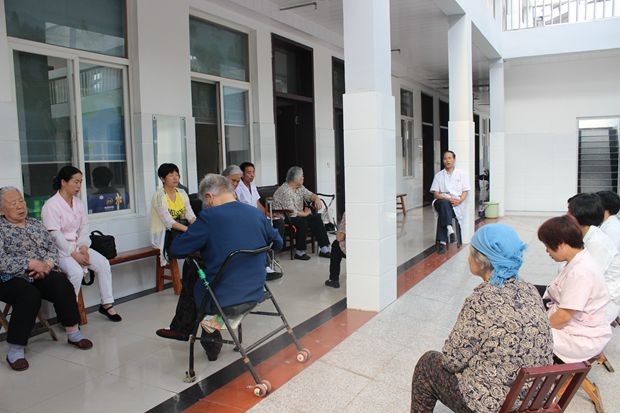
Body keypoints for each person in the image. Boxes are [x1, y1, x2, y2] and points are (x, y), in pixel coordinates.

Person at [411, 223, 552, 413]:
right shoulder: (530, 289)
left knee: (428, 363)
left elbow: (451, 361)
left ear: (480, 261)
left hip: (496, 404)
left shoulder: (482, 299)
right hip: (533, 396)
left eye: (471, 253)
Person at [169, 174, 283, 360]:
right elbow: (277, 243)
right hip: (256, 289)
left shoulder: (208, 217)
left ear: (209, 197)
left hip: (223, 296)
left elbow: (176, 249)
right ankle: (197, 329)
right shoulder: (255, 213)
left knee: (194, 279)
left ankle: (204, 334)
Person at [0, 187, 93, 371]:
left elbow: (52, 249)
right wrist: (30, 264)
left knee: (61, 283)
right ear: (1, 210)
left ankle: (73, 332)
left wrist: (47, 265)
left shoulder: (35, 224)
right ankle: (16, 350)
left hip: (41, 271)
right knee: (28, 294)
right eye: (13, 203)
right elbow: (1, 260)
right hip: (9, 278)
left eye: (21, 201)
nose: (20, 206)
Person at [41, 166, 121, 322]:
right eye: (75, 182)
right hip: (60, 251)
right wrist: (74, 253)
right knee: (76, 273)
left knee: (103, 264)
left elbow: (84, 228)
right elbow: (55, 235)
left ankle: (106, 304)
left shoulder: (78, 203)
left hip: (80, 246)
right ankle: (69, 313)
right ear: (63, 182)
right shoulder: (50, 206)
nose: (79, 186)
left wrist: (84, 247)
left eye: (80, 182)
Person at [537, 215, 612, 363]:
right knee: (530, 292)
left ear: (562, 244)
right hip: (573, 323)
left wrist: (536, 328)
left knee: (522, 337)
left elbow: (564, 317)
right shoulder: (578, 261)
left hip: (580, 338)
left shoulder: (581, 272)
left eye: (548, 246)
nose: (547, 251)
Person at [567, 193, 620, 322]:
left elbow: (588, 279)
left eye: (569, 212)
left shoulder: (598, 242)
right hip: (591, 295)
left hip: (601, 303)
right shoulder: (590, 234)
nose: (565, 216)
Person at [236, 162, 282, 281]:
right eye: (249, 172)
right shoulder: (237, 187)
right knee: (260, 232)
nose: (252, 175)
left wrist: (268, 215)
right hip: (247, 220)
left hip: (256, 217)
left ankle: (271, 253)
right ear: (242, 174)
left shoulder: (252, 185)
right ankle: (265, 266)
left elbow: (257, 204)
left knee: (278, 222)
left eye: (253, 172)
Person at [272, 166, 330, 260]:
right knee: (302, 222)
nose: (303, 178)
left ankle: (324, 248)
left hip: (297, 214)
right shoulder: (285, 190)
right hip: (284, 217)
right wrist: (306, 213)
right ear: (296, 178)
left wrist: (317, 198)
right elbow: (291, 212)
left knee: (317, 218)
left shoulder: (299, 187)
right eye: (302, 176)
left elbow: (309, 195)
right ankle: (299, 252)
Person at [150, 163, 196, 266]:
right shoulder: (159, 196)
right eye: (171, 175)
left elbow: (190, 215)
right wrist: (189, 230)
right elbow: (168, 222)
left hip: (179, 231)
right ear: (162, 179)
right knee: (194, 245)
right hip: (164, 234)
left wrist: (198, 226)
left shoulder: (182, 193)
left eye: (177, 174)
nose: (175, 178)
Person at [430, 150, 471, 254]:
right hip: (440, 201)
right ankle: (449, 229)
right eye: (445, 158)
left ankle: (443, 242)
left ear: (454, 160)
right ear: (443, 161)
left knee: (444, 211)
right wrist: (446, 198)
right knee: (444, 203)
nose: (447, 160)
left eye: (449, 158)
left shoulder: (461, 174)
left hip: (455, 203)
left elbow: (465, 191)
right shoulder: (439, 175)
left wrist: (459, 201)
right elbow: (435, 193)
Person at [325, 212, 346, 288]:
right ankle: (324, 248)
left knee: (336, 244)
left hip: (353, 249)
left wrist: (338, 231)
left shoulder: (350, 212)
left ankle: (333, 279)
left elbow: (340, 237)